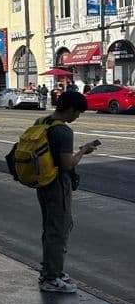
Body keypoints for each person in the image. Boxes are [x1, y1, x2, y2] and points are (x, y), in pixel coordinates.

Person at [36, 90, 97, 293]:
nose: (77, 117)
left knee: (49, 227)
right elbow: (67, 164)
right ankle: (51, 278)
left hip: (41, 182)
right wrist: (83, 151)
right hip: (57, 185)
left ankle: (51, 269)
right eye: (78, 113)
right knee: (58, 230)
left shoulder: (42, 121)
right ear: (70, 109)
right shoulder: (64, 131)